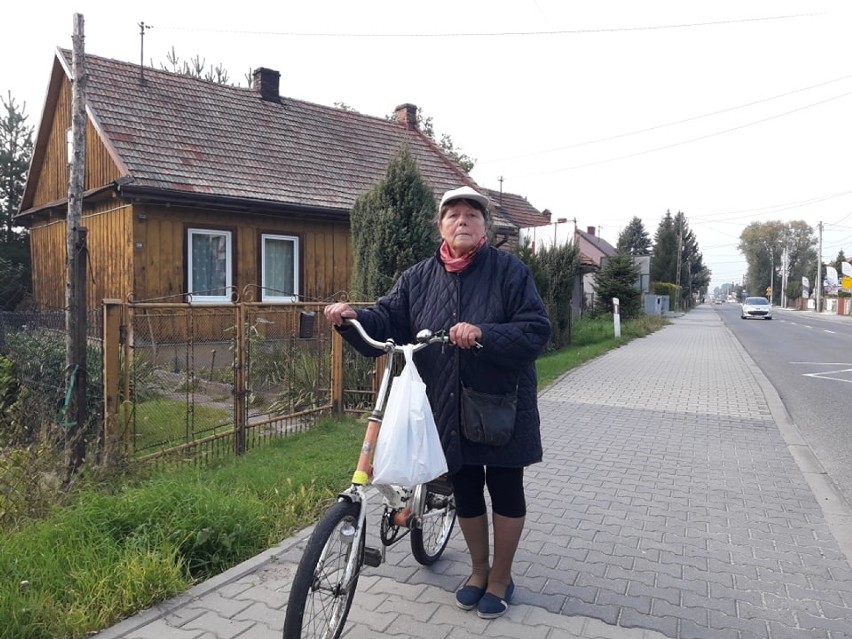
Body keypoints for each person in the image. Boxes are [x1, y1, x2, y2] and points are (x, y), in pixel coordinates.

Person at [324, 185, 550, 619]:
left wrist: (484, 334)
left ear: (485, 226)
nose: (462, 220)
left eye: (472, 214)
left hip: (500, 404)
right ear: (441, 225)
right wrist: (352, 319)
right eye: (453, 214)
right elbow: (387, 318)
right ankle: (478, 571)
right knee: (464, 487)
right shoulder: (418, 277)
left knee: (504, 488)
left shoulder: (509, 272)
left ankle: (501, 577)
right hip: (444, 403)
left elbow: (536, 330)